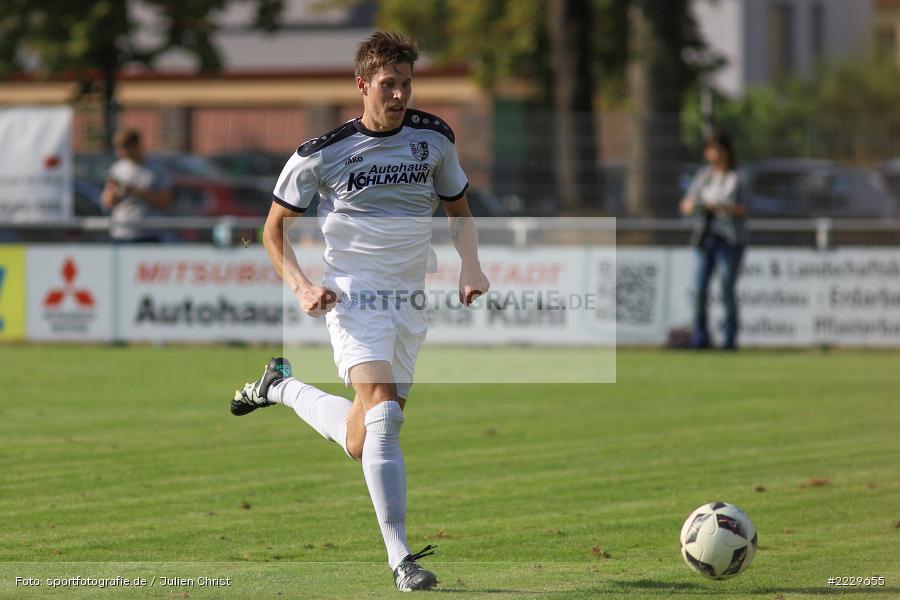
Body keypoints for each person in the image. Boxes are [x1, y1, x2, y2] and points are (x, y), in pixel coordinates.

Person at [229, 32, 490, 592]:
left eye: (406, 84)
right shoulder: (320, 153)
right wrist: (300, 285)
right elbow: (272, 231)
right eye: (388, 85)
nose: (399, 95)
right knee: (386, 417)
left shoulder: (434, 138)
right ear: (362, 85)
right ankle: (401, 558)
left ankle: (278, 387)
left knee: (361, 437)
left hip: (408, 299)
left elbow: (459, 211)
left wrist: (470, 264)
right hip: (353, 296)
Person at [679, 131, 747, 350]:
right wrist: (697, 206)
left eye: (715, 149)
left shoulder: (736, 177)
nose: (712, 154)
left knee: (727, 290)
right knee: (699, 290)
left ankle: (729, 340)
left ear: (725, 151)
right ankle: (700, 338)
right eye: (709, 149)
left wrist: (719, 206)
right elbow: (686, 204)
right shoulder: (703, 176)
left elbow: (745, 209)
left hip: (729, 240)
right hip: (705, 239)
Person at [101, 129, 172, 242]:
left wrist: (135, 191)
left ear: (136, 146)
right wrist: (114, 191)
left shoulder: (156, 168)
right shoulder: (117, 169)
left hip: (148, 234)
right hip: (121, 233)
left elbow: (165, 201)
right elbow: (108, 202)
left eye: (124, 148)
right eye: (118, 148)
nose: (120, 153)